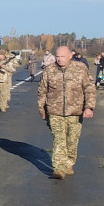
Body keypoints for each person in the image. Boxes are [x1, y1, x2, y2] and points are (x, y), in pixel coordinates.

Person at [38, 46, 96, 180]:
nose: (59, 59)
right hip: (55, 111)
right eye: (57, 56)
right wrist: (42, 109)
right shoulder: (49, 70)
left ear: (70, 56)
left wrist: (89, 107)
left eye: (62, 56)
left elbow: (89, 88)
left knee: (72, 140)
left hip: (75, 112)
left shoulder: (80, 68)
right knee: (59, 139)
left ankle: (68, 162)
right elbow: (42, 91)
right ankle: (59, 167)